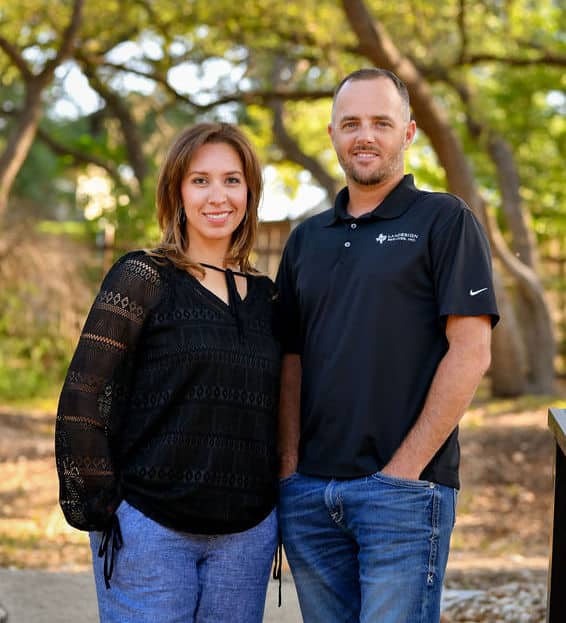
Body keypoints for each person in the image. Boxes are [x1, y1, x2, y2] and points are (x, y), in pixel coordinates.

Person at [275, 68, 500, 623]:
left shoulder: (444, 221)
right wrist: (289, 470)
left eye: (381, 122)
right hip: (310, 496)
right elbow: (289, 360)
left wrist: (403, 472)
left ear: (409, 132)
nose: (364, 135)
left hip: (403, 494)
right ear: (331, 134)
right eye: (351, 123)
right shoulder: (306, 239)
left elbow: (470, 351)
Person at [55, 122, 281, 623]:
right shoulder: (142, 277)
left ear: (250, 192)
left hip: (246, 538)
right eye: (200, 180)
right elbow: (83, 397)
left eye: (232, 180)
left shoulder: (269, 298)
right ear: (177, 192)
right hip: (151, 528)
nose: (217, 195)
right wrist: (107, 509)